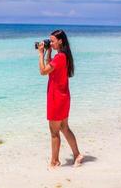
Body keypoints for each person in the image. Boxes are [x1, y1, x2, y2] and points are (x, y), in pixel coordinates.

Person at [37, 29, 83, 168]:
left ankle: (54, 162)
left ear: (60, 41)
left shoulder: (60, 57)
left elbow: (43, 71)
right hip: (63, 96)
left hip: (56, 98)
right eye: (49, 41)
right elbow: (51, 68)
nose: (50, 43)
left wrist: (40, 54)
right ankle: (77, 155)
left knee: (54, 132)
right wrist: (49, 53)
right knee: (64, 127)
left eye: (52, 41)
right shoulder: (64, 56)